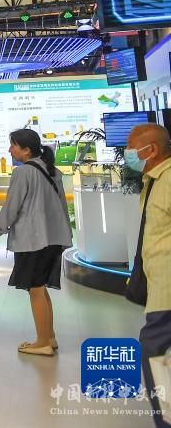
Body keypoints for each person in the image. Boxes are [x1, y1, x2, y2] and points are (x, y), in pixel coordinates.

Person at [0, 128, 72, 356]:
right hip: (52, 238)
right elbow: (62, 206)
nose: (10, 150)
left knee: (35, 290)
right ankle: (49, 337)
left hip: (33, 240)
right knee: (40, 288)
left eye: (13, 145)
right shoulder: (52, 170)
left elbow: (12, 206)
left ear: (26, 150)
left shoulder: (23, 172)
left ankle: (43, 342)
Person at [125, 123, 171, 427]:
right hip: (159, 290)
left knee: (157, 354)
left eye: (131, 148)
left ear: (150, 150)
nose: (127, 154)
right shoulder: (154, 180)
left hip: (168, 293)